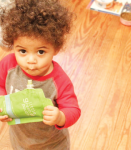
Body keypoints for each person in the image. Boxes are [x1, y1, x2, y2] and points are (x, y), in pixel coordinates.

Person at [0, 0, 81, 149]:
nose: (31, 61)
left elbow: (73, 110)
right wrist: (2, 102)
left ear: (55, 49)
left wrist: (60, 117)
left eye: (41, 52)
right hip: (19, 140)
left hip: (52, 144)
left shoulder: (59, 81)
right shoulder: (8, 64)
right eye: (22, 51)